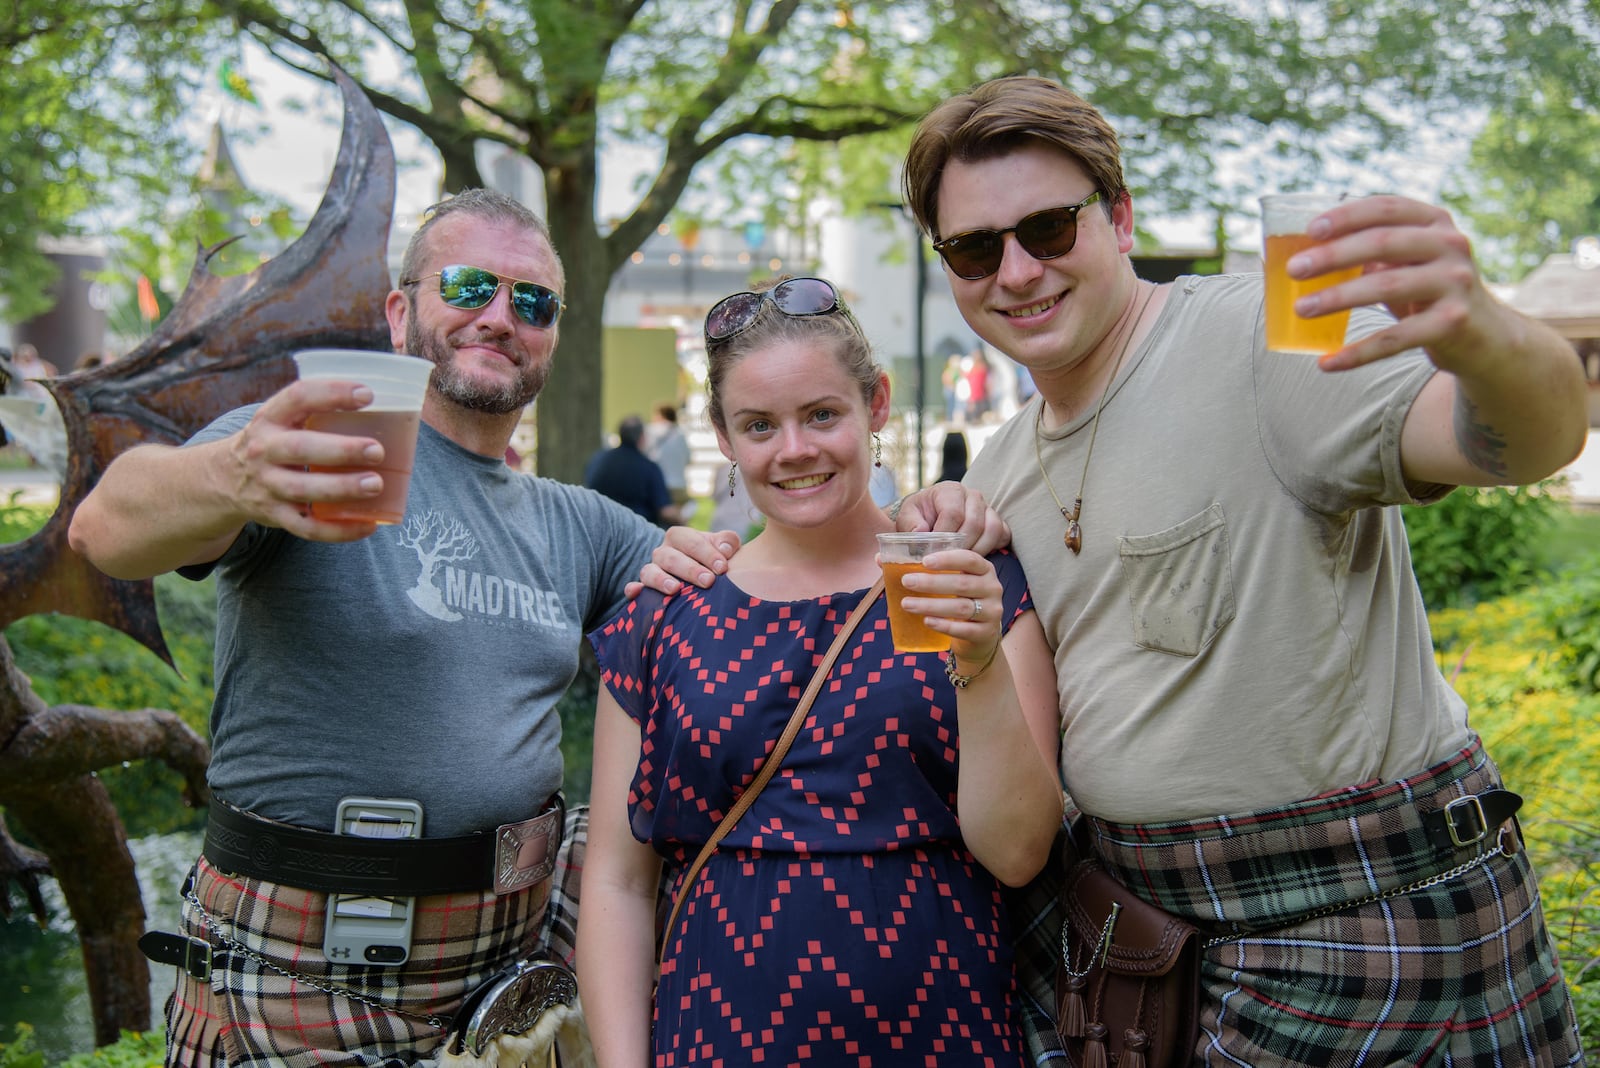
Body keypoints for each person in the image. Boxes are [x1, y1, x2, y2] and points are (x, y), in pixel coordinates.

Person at [892, 75, 1587, 1064]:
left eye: (1048, 228)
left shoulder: (1265, 335)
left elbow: (1519, 444)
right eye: (972, 248)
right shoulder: (999, 472)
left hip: (1369, 924)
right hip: (1157, 953)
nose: (1015, 271)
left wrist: (1483, 330)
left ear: (1119, 218)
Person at [65, 188, 733, 1065]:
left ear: (553, 335)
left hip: (516, 961)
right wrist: (232, 475)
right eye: (467, 286)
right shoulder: (307, 455)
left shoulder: (583, 525)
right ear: (398, 311)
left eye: (532, 301)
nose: (500, 316)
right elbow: (102, 531)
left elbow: (737, 614)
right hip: (303, 964)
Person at [576, 276, 1062, 1066]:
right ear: (723, 437)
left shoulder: (972, 583)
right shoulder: (664, 615)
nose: (794, 449)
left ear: (876, 404)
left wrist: (977, 662)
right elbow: (617, 884)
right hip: (718, 1037)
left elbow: (1017, 853)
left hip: (944, 1034)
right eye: (759, 424)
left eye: (822, 414)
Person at [585, 413, 680, 526]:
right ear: (642, 437)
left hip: (599, 526)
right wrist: (682, 520)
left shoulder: (598, 459)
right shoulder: (648, 467)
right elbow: (665, 511)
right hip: (638, 532)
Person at [642, 401, 691, 508]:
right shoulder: (680, 434)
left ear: (659, 415)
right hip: (679, 485)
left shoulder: (650, 431)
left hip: (657, 486)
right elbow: (688, 459)